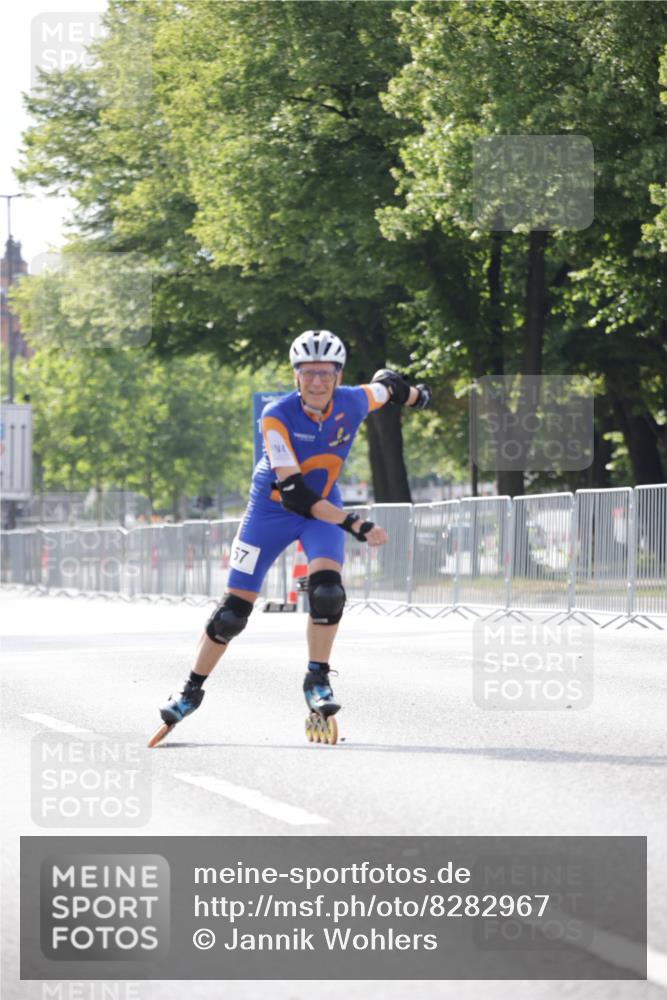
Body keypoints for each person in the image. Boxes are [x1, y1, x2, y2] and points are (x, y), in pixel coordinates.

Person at [151, 330, 430, 745]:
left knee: (327, 593)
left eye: (326, 373)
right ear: (296, 376)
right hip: (272, 510)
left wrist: (415, 396)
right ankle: (190, 690)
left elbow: (387, 386)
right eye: (308, 373)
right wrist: (356, 524)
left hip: (321, 509)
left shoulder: (353, 400)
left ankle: (317, 678)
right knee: (232, 614)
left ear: (338, 375)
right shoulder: (275, 416)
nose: (317, 382)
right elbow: (297, 494)